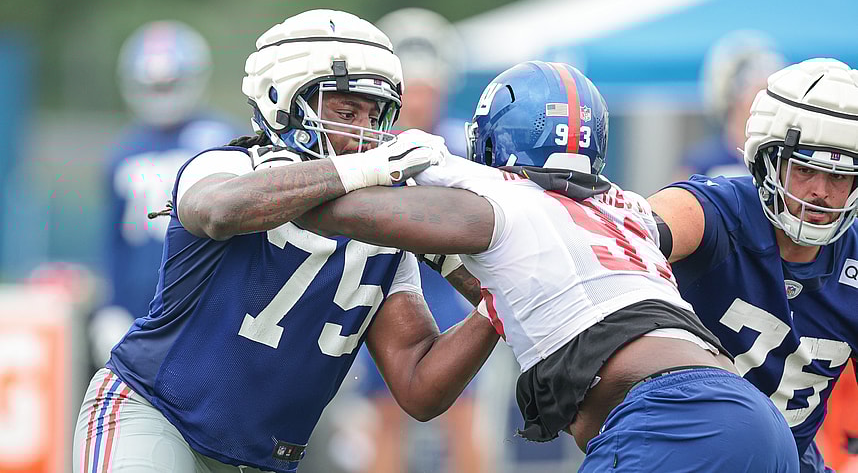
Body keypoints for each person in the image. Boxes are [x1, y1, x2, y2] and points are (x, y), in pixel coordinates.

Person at [298, 60, 799, 472]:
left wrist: (284, 171)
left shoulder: (498, 199)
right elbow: (428, 387)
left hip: (669, 419)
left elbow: (326, 207)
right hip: (755, 419)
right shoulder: (622, 209)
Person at [72, 9, 499, 473]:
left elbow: (419, 385)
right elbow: (217, 211)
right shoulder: (230, 166)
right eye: (346, 110)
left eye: (375, 115)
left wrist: (495, 305)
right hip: (155, 416)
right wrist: (369, 171)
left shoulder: (382, 235)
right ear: (284, 100)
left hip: (260, 460)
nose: (366, 133)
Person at [648, 57, 858, 472]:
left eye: (839, 177)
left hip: (789, 461)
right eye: (804, 169)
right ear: (769, 161)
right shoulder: (718, 212)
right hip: (676, 451)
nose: (820, 193)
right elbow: (629, 233)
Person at [349, 7, 491, 473]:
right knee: (386, 410)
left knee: (463, 411)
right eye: (412, 90)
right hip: (386, 280)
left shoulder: (455, 144)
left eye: (427, 88)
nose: (419, 100)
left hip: (448, 283)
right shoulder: (370, 146)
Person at [89, 20, 239, 367]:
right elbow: (114, 240)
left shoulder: (224, 138)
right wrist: (109, 305)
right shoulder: (124, 151)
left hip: (208, 299)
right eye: (153, 85)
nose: (162, 94)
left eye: (170, 84)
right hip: (141, 302)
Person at [676, 30, 785, 179]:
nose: (766, 104)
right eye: (757, 92)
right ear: (732, 95)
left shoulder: (781, 157)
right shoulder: (703, 161)